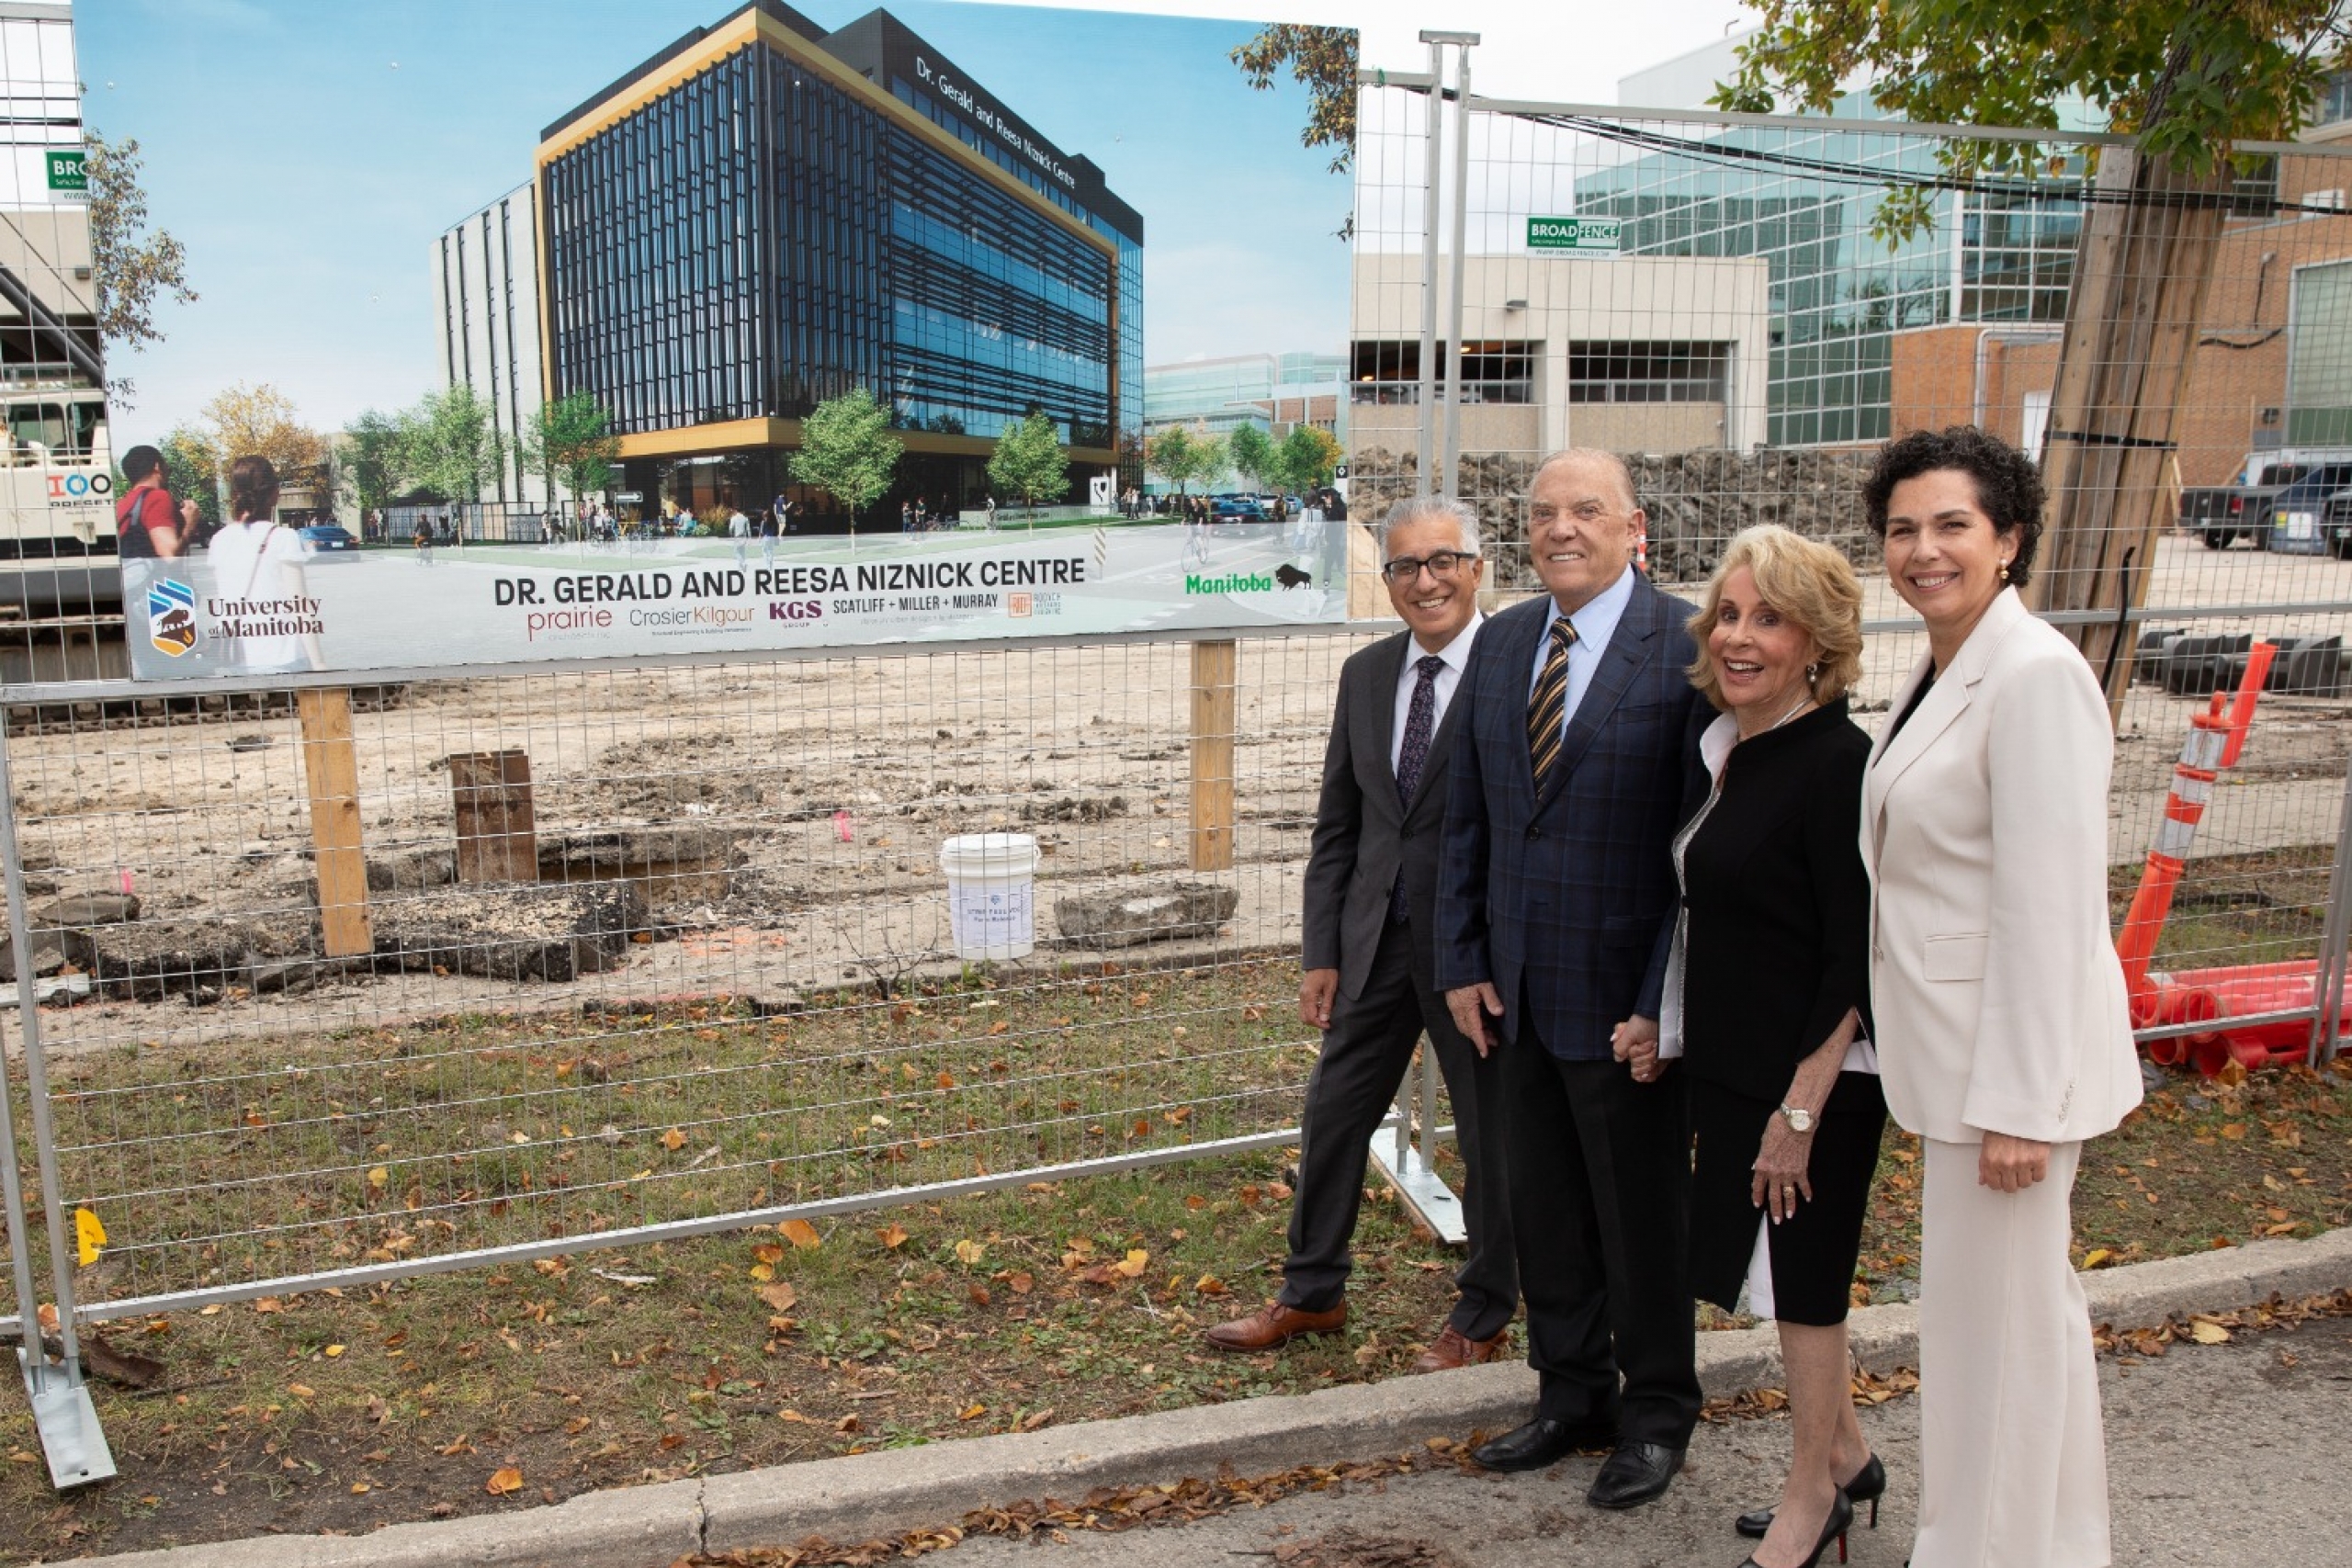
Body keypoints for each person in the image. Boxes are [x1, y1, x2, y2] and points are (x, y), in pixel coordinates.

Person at [1859, 426, 2141, 1568]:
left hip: (2007, 1086)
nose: (1924, 550)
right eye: (1902, 529)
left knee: (2003, 1340)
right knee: (2012, 1329)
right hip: (1963, 1068)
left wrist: (2024, 1102)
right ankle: (2042, 1545)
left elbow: (2051, 906)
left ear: (2009, 538)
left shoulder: (2031, 677)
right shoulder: (1943, 665)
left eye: (1952, 526)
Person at [1434, 448, 1703, 1508]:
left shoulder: (1684, 643)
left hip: (1626, 1001)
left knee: (1639, 1218)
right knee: (1540, 1204)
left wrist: (1660, 1000)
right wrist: (1460, 959)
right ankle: (1571, 1393)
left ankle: (1656, 1413)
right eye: (1542, 513)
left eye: (1585, 510)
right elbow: (1467, 815)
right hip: (1512, 994)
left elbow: (1696, 847)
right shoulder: (1500, 643)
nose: (1561, 529)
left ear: (1631, 525)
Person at [1204, 497, 1517, 1371]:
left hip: (1475, 957)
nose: (1426, 581)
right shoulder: (1369, 674)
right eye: (1406, 567)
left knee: (1490, 1133)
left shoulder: (1517, 665)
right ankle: (1311, 1293)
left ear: (1477, 568)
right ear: (1387, 582)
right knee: (1334, 1112)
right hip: (1376, 941)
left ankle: (1486, 1309)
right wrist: (1323, 949)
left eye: (1442, 561)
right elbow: (1339, 823)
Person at [1622, 525, 1882, 1568]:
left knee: (1805, 1297)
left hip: (1813, 1083)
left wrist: (1802, 1109)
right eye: (1727, 614)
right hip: (1736, 1069)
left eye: (1767, 619)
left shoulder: (1838, 765)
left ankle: (1808, 1497)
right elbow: (1711, 916)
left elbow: (1852, 957)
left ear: (1817, 642)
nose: (1737, 637)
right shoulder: (1729, 749)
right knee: (1774, 1284)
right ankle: (1852, 1458)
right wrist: (1661, 1021)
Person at [208, 455, 321, 673]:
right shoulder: (283, 537)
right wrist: (318, 663)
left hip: (235, 657)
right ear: (274, 494)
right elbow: (300, 605)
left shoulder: (218, 540)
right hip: (281, 655)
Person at [114, 445, 187, 560]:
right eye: (168, 468)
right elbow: (170, 555)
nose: (168, 473)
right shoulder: (157, 497)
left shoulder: (121, 504)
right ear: (157, 467)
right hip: (156, 577)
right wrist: (190, 525)